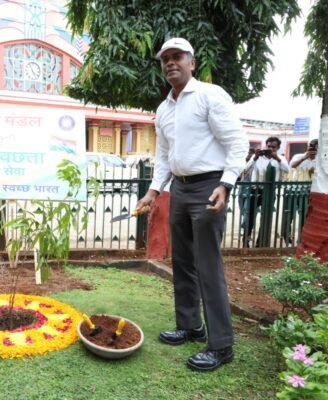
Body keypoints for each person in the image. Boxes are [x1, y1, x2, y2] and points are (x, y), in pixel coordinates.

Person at [135, 38, 248, 372]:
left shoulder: (210, 95)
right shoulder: (164, 109)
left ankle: (221, 346)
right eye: (165, 59)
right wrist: (153, 191)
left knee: (208, 265)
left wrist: (226, 184)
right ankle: (190, 326)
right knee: (182, 261)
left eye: (178, 57)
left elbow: (236, 142)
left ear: (192, 63)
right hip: (180, 189)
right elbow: (164, 156)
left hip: (209, 186)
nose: (171, 63)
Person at [242, 136, 290, 246]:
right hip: (255, 190)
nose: (270, 149)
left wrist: (277, 158)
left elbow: (287, 170)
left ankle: (260, 242)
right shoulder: (257, 156)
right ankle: (246, 240)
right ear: (266, 146)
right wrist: (255, 157)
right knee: (250, 216)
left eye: (273, 147)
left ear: (278, 148)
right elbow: (245, 169)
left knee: (265, 218)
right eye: (269, 146)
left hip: (270, 191)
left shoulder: (280, 158)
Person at [282, 139, 318, 244]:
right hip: (292, 191)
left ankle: (301, 239)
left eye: (315, 148)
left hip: (307, 193)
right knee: (288, 216)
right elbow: (292, 165)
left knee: (304, 217)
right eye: (311, 146)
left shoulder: (319, 161)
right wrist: (305, 157)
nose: (313, 149)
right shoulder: (298, 156)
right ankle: (287, 238)